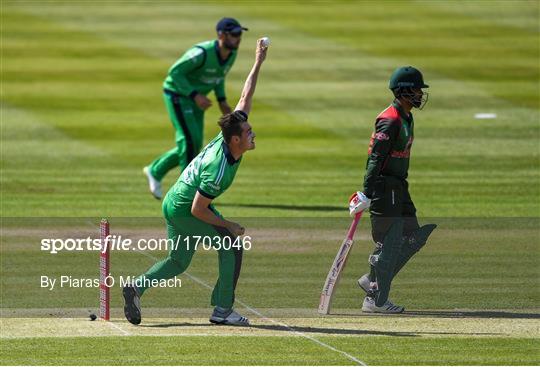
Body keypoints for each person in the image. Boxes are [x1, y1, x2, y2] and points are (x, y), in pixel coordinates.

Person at [123, 39, 268, 326]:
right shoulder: (219, 168)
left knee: (178, 261)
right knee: (230, 244)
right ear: (236, 139)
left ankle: (135, 288)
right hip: (185, 207)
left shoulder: (229, 137)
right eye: (249, 132)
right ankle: (223, 310)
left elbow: (244, 97)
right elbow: (198, 210)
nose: (253, 134)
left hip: (174, 201)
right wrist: (229, 225)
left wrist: (258, 62)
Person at [349, 66, 437, 313]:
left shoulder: (407, 116)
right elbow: (375, 159)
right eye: (417, 89)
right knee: (392, 240)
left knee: (413, 237)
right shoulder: (390, 120)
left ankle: (371, 279)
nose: (420, 94)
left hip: (399, 185)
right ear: (403, 91)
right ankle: (375, 298)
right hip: (384, 187)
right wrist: (366, 192)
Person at [144, 17, 248, 199]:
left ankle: (156, 170)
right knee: (189, 141)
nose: (238, 38)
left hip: (197, 100)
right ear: (222, 35)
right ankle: (186, 191)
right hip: (178, 95)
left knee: (193, 143)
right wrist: (194, 95)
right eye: (234, 34)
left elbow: (218, 77)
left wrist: (222, 99)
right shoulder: (202, 53)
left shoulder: (231, 54)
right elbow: (175, 72)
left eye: (240, 34)